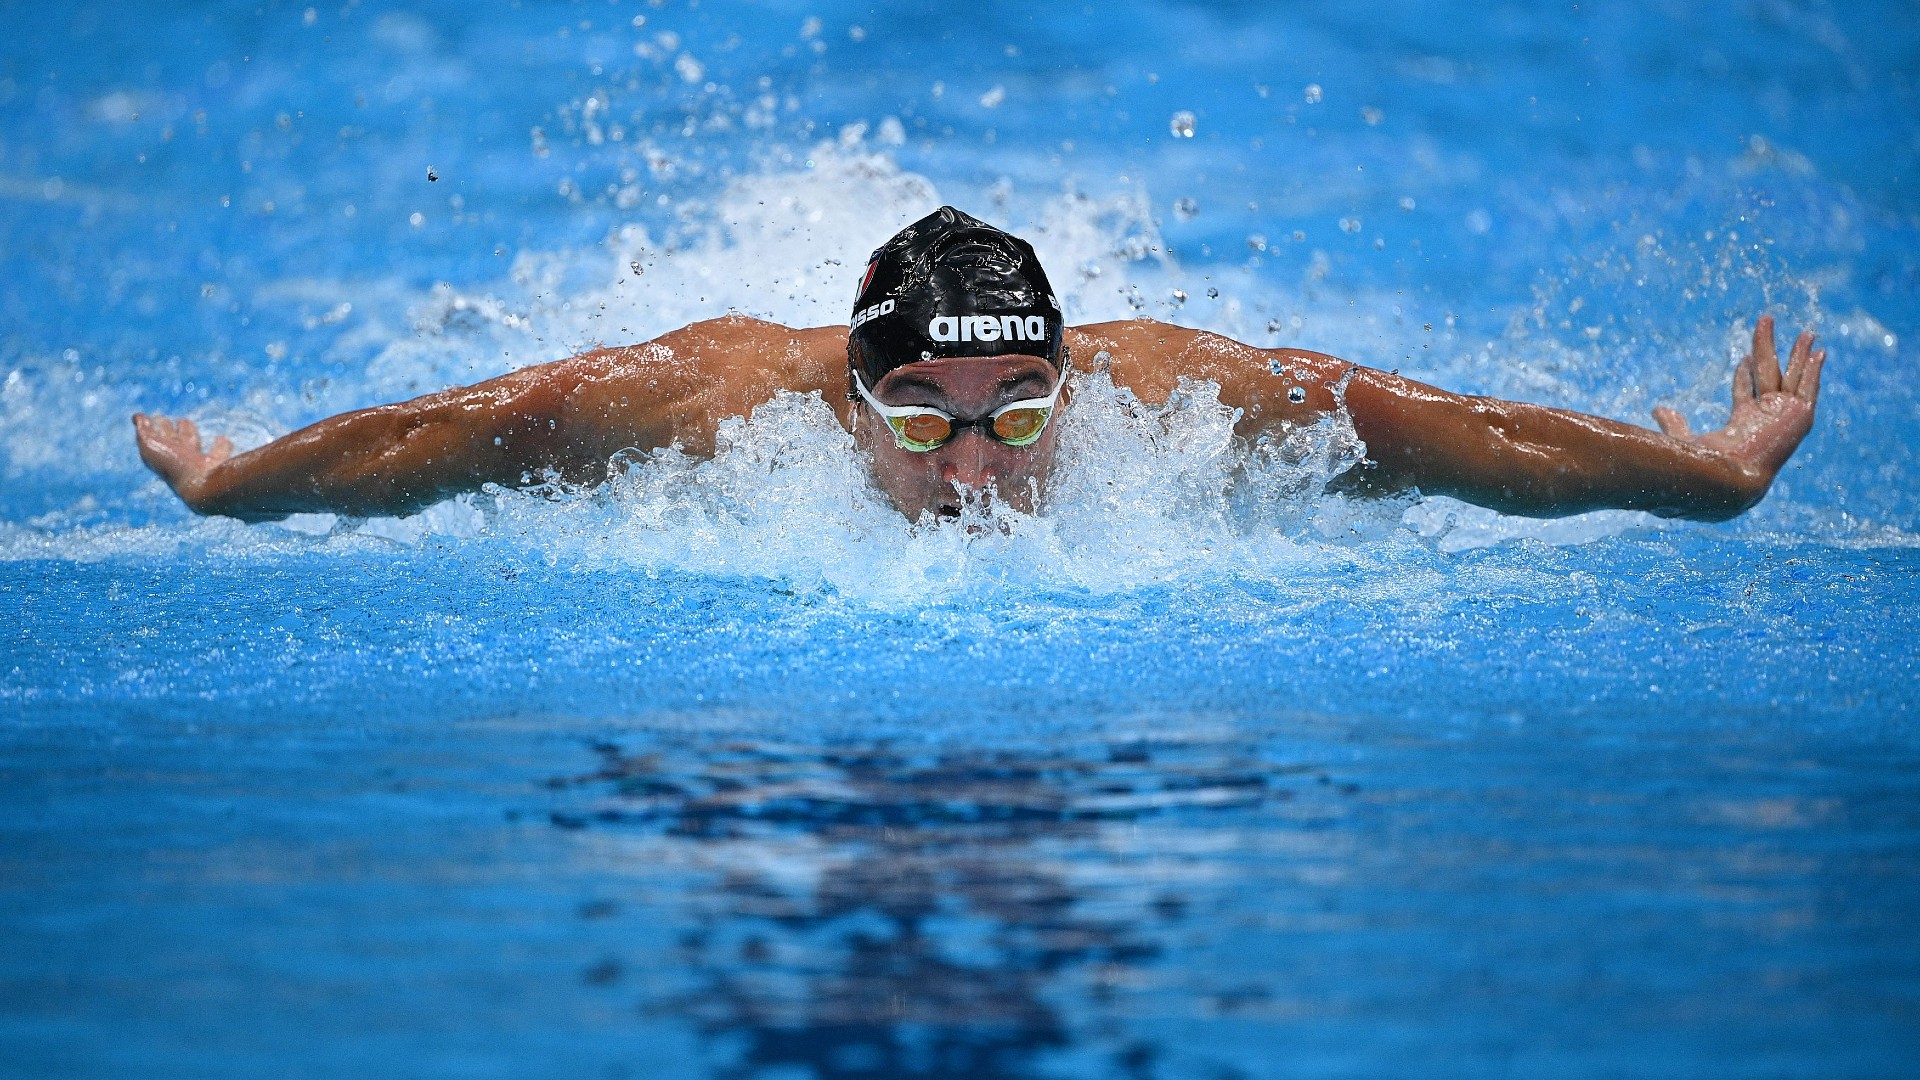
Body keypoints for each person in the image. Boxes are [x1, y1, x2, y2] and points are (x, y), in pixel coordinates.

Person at [133, 206, 1825, 525]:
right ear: (847, 392)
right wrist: (233, 487)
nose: (972, 479)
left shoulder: (1176, 395)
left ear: (1069, 384)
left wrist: (1705, 476)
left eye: (1018, 417)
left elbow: (1451, 433)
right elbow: (457, 434)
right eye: (922, 422)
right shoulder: (723, 401)